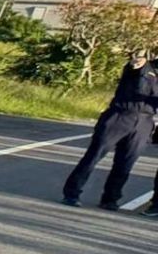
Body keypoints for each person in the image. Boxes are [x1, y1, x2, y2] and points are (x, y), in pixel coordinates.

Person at [60, 54, 157, 209]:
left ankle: (110, 199)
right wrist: (137, 62)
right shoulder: (145, 66)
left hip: (144, 121)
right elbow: (134, 67)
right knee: (94, 155)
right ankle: (72, 193)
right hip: (119, 115)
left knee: (126, 163)